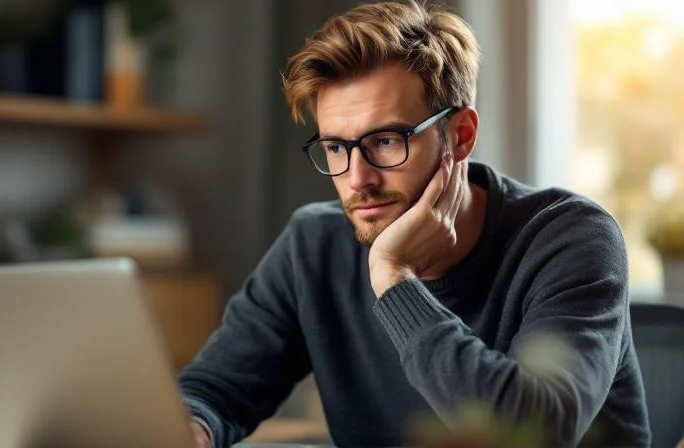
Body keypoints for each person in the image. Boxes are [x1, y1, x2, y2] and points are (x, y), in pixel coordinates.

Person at [180, 1, 651, 447]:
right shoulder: (314, 244)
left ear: (461, 135)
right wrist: (193, 428)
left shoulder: (571, 239)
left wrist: (394, 278)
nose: (358, 179)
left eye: (386, 141)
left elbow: (535, 433)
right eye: (337, 148)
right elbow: (215, 390)